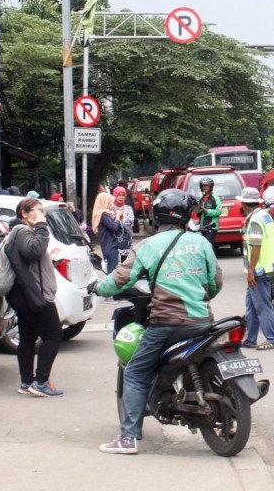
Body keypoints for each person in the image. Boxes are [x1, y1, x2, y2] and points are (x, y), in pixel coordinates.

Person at [90, 189, 222, 455]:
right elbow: (214, 283)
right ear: (187, 215)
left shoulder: (148, 246)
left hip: (166, 324)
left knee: (136, 372)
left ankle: (128, 438)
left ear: (156, 214)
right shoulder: (201, 243)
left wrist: (97, 288)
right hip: (202, 321)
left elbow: (120, 279)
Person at [5, 197, 64, 397]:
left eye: (42, 212)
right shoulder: (22, 231)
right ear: (24, 213)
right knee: (53, 335)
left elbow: (32, 256)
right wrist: (41, 225)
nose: (41, 215)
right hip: (34, 295)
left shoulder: (21, 231)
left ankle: (27, 382)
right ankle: (41, 381)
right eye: (37, 211)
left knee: (28, 337)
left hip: (27, 293)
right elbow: (34, 250)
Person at [238, 187, 274, 350]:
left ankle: (272, 339)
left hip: (259, 270)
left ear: (244, 203)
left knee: (262, 305)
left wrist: (250, 271)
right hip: (265, 267)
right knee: (251, 306)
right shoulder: (264, 215)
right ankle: (251, 339)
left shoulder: (255, 220)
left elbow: (256, 247)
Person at [91, 192, 125, 275]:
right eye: (110, 202)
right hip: (110, 245)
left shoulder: (101, 214)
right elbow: (114, 227)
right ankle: (109, 287)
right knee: (112, 272)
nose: (112, 204)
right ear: (105, 202)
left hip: (107, 245)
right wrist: (117, 218)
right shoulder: (103, 215)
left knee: (112, 269)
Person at [112, 186, 136, 265]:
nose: (121, 197)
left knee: (125, 260)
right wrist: (120, 221)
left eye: (123, 195)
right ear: (114, 195)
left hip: (125, 237)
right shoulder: (111, 208)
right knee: (113, 260)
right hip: (113, 237)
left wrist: (118, 221)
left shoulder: (128, 208)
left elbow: (130, 221)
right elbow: (110, 223)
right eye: (119, 195)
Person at [196, 177, 221, 247]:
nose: (205, 187)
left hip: (211, 227)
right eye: (203, 185)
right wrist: (196, 209)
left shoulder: (215, 198)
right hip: (202, 226)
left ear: (211, 186)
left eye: (207, 185)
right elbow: (198, 213)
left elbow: (219, 211)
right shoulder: (201, 198)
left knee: (209, 246)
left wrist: (206, 211)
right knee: (202, 246)